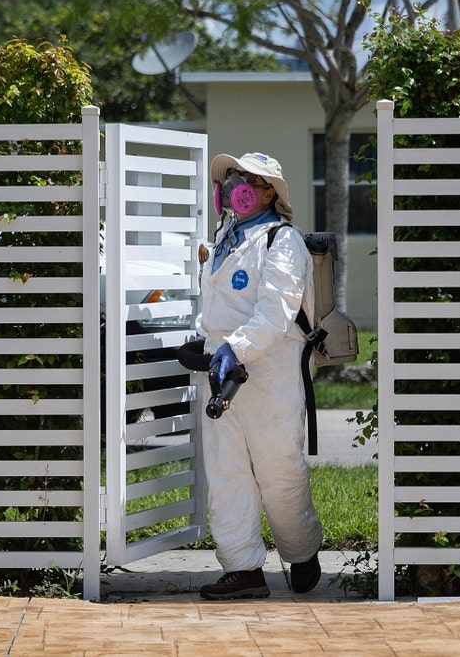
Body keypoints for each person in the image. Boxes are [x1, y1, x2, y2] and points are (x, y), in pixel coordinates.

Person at [194, 151, 323, 600]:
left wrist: (236, 346)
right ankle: (243, 568)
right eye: (231, 177)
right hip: (222, 371)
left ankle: (302, 551)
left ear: (271, 192)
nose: (235, 186)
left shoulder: (282, 241)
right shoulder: (224, 237)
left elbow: (276, 314)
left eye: (248, 179)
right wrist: (207, 341)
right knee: (227, 471)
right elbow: (219, 306)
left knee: (277, 471)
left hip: (269, 372)